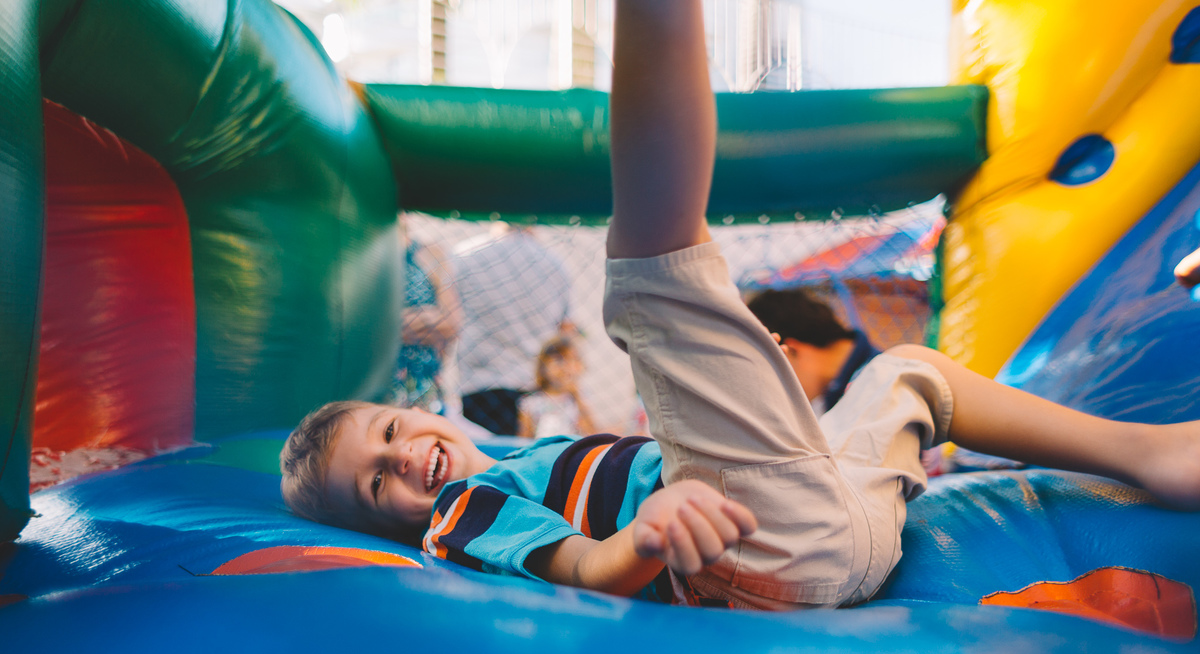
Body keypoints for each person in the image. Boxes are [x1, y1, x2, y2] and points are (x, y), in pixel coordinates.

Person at [282, 0, 1200, 610]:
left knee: (907, 370)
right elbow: (579, 566)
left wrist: (744, 388)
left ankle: (1151, 454)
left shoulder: (533, 453)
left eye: (391, 433)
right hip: (759, 554)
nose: (408, 464)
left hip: (835, 517)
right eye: (378, 484)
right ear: (388, 523)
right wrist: (641, 543)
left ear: (416, 408)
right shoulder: (467, 511)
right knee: (648, 269)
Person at [453, 223, 575, 435]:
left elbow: (450, 320)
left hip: (480, 385)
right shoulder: (554, 264)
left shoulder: (465, 256)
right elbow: (565, 332)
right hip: (534, 386)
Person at [746, 288, 879, 414]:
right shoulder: (836, 391)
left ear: (789, 351)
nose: (774, 392)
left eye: (769, 373)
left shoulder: (883, 381)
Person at [389, 237, 460, 413]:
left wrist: (395, 324)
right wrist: (428, 316)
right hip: (379, 380)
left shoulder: (430, 253)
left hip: (425, 383)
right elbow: (369, 330)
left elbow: (451, 324)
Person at [517, 337, 597, 439]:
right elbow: (523, 440)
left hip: (570, 451)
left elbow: (591, 433)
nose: (565, 367)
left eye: (571, 360)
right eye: (559, 360)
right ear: (543, 366)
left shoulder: (579, 399)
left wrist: (577, 396)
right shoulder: (530, 403)